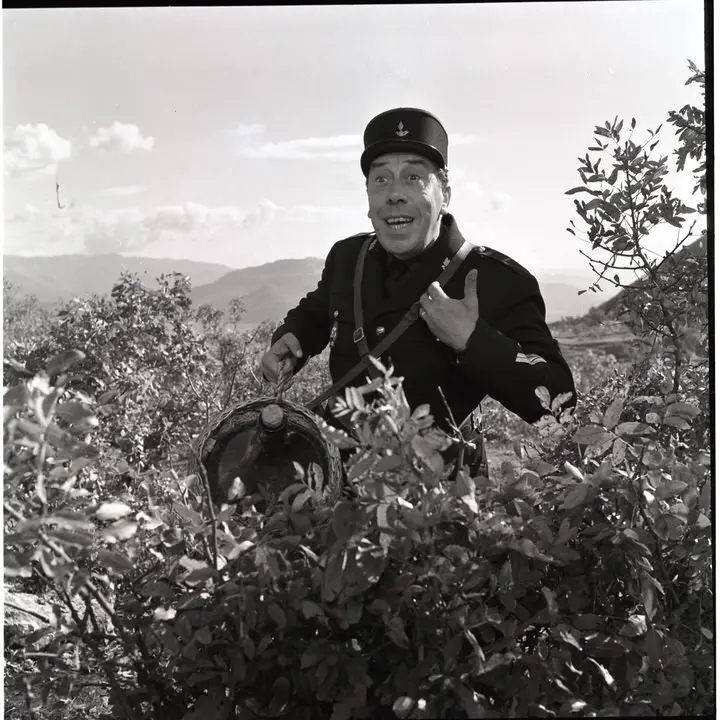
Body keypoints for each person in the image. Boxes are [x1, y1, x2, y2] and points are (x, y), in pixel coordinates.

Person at [260, 107, 576, 476]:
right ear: (368, 198)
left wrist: (473, 340)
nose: (394, 194)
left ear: (445, 193)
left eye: (413, 177)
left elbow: (560, 402)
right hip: (342, 485)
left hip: (439, 503)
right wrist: (292, 338)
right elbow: (318, 311)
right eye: (381, 180)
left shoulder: (495, 279)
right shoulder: (347, 257)